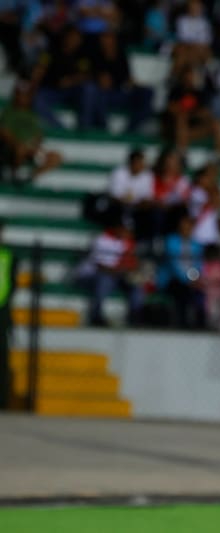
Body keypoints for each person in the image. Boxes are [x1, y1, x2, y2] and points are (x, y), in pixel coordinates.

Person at [0, 81, 63, 185]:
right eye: (21, 94)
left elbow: (39, 134)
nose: (23, 98)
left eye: (26, 95)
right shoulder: (9, 112)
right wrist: (19, 143)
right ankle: (14, 174)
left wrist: (36, 144)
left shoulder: (32, 114)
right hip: (14, 148)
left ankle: (30, 177)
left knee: (56, 157)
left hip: (31, 148)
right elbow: (3, 132)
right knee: (20, 149)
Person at [0, 219, 17, 409]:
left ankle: (2, 400)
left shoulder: (8, 255)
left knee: (3, 358)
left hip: (2, 311)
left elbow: (11, 284)